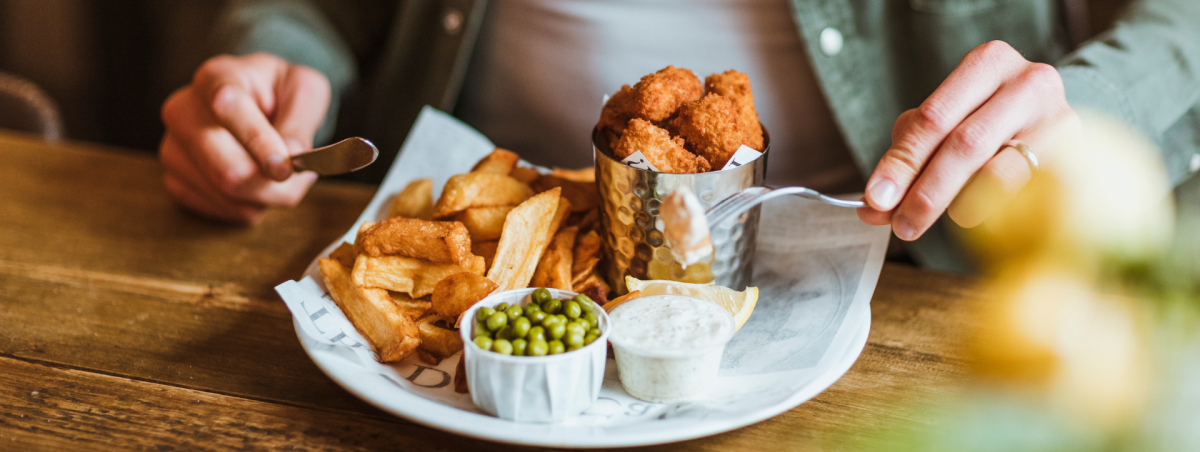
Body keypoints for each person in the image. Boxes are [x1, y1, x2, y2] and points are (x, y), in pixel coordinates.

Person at [158, 0, 1200, 272]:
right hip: (489, 244)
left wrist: (1095, 108)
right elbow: (316, 11)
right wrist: (269, 64)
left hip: (909, 267)